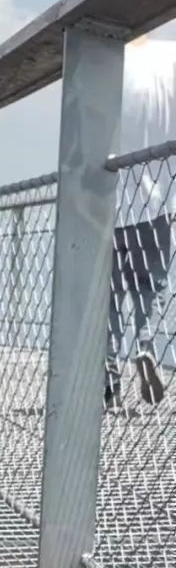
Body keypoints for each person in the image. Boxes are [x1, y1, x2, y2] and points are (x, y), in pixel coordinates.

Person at [106, 37, 176, 409]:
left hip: (107, 198)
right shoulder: (171, 55)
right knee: (151, 285)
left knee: (109, 296)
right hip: (159, 196)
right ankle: (147, 345)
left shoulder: (107, 59)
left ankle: (108, 379)